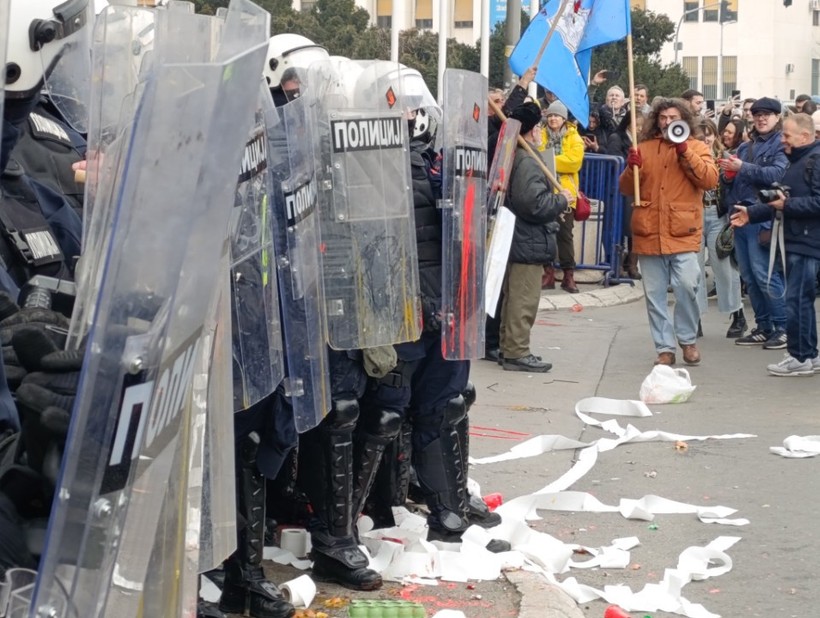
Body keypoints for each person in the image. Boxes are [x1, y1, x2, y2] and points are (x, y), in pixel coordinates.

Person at [619, 98, 719, 366]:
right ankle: (665, 348)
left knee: (688, 285)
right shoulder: (645, 148)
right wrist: (631, 168)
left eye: (673, 117)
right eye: (662, 118)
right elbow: (627, 188)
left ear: (684, 119)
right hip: (649, 231)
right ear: (656, 120)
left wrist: (685, 151)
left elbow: (710, 179)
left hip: (682, 232)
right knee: (654, 296)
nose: (667, 122)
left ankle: (687, 339)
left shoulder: (697, 147)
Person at [730, 113, 820, 376]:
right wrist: (753, 214)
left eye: (787, 135)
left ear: (805, 136)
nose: (782, 140)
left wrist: (786, 204)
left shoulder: (814, 161)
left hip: (806, 241)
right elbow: (781, 200)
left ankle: (799, 356)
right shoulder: (799, 161)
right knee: (800, 301)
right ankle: (809, 355)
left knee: (797, 301)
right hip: (797, 239)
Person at [500, 102, 569, 372]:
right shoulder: (527, 160)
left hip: (519, 237)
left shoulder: (517, 156)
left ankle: (510, 348)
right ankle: (517, 351)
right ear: (533, 130)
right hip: (527, 238)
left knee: (515, 296)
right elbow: (534, 204)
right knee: (523, 298)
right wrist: (560, 201)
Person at [720, 97, 789, 349]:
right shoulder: (744, 147)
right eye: (757, 113)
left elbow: (778, 175)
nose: (761, 118)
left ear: (777, 117)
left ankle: (783, 327)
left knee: (765, 274)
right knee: (749, 275)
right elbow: (732, 181)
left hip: (763, 216)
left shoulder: (782, 144)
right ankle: (763, 326)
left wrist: (742, 167)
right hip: (740, 216)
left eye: (767, 114)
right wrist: (727, 176)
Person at [696, 119, 746, 338]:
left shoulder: (725, 159)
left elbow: (737, 186)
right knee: (692, 271)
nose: (705, 139)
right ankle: (693, 317)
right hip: (693, 217)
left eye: (708, 134)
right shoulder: (688, 156)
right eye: (700, 135)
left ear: (715, 136)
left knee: (724, 268)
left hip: (718, 216)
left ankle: (738, 315)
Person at [539, 100, 584, 293]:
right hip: (544, 191)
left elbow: (574, 162)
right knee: (545, 235)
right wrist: (546, 159)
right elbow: (535, 154)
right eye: (550, 115)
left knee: (565, 235)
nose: (553, 119)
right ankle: (548, 273)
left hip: (566, 193)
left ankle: (568, 275)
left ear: (564, 118)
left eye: (556, 115)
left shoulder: (574, 137)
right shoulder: (539, 134)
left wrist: (549, 160)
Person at [607, 110, 646, 280]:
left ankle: (632, 264)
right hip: (621, 187)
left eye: (641, 125)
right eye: (636, 124)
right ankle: (618, 263)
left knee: (634, 227)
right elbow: (614, 159)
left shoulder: (643, 141)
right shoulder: (617, 137)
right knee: (622, 227)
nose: (639, 128)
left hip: (637, 188)